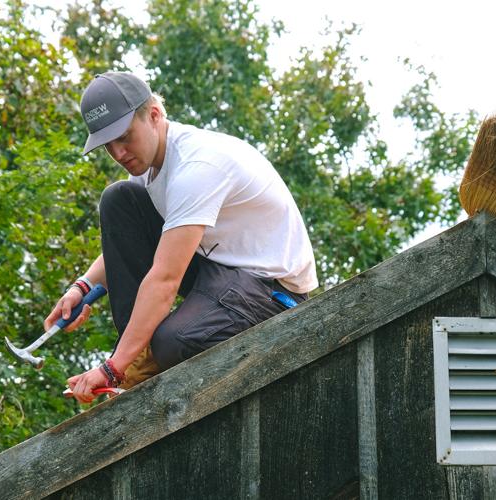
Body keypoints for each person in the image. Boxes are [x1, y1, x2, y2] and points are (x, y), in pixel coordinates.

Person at [45, 72, 318, 403]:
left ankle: (132, 363)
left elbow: (164, 279)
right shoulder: (150, 163)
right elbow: (148, 242)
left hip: (271, 291)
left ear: (155, 116)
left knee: (174, 341)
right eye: (108, 146)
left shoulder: (196, 166)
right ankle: (137, 360)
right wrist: (82, 288)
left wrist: (112, 367)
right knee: (120, 200)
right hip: (218, 266)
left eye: (124, 137)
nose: (118, 153)